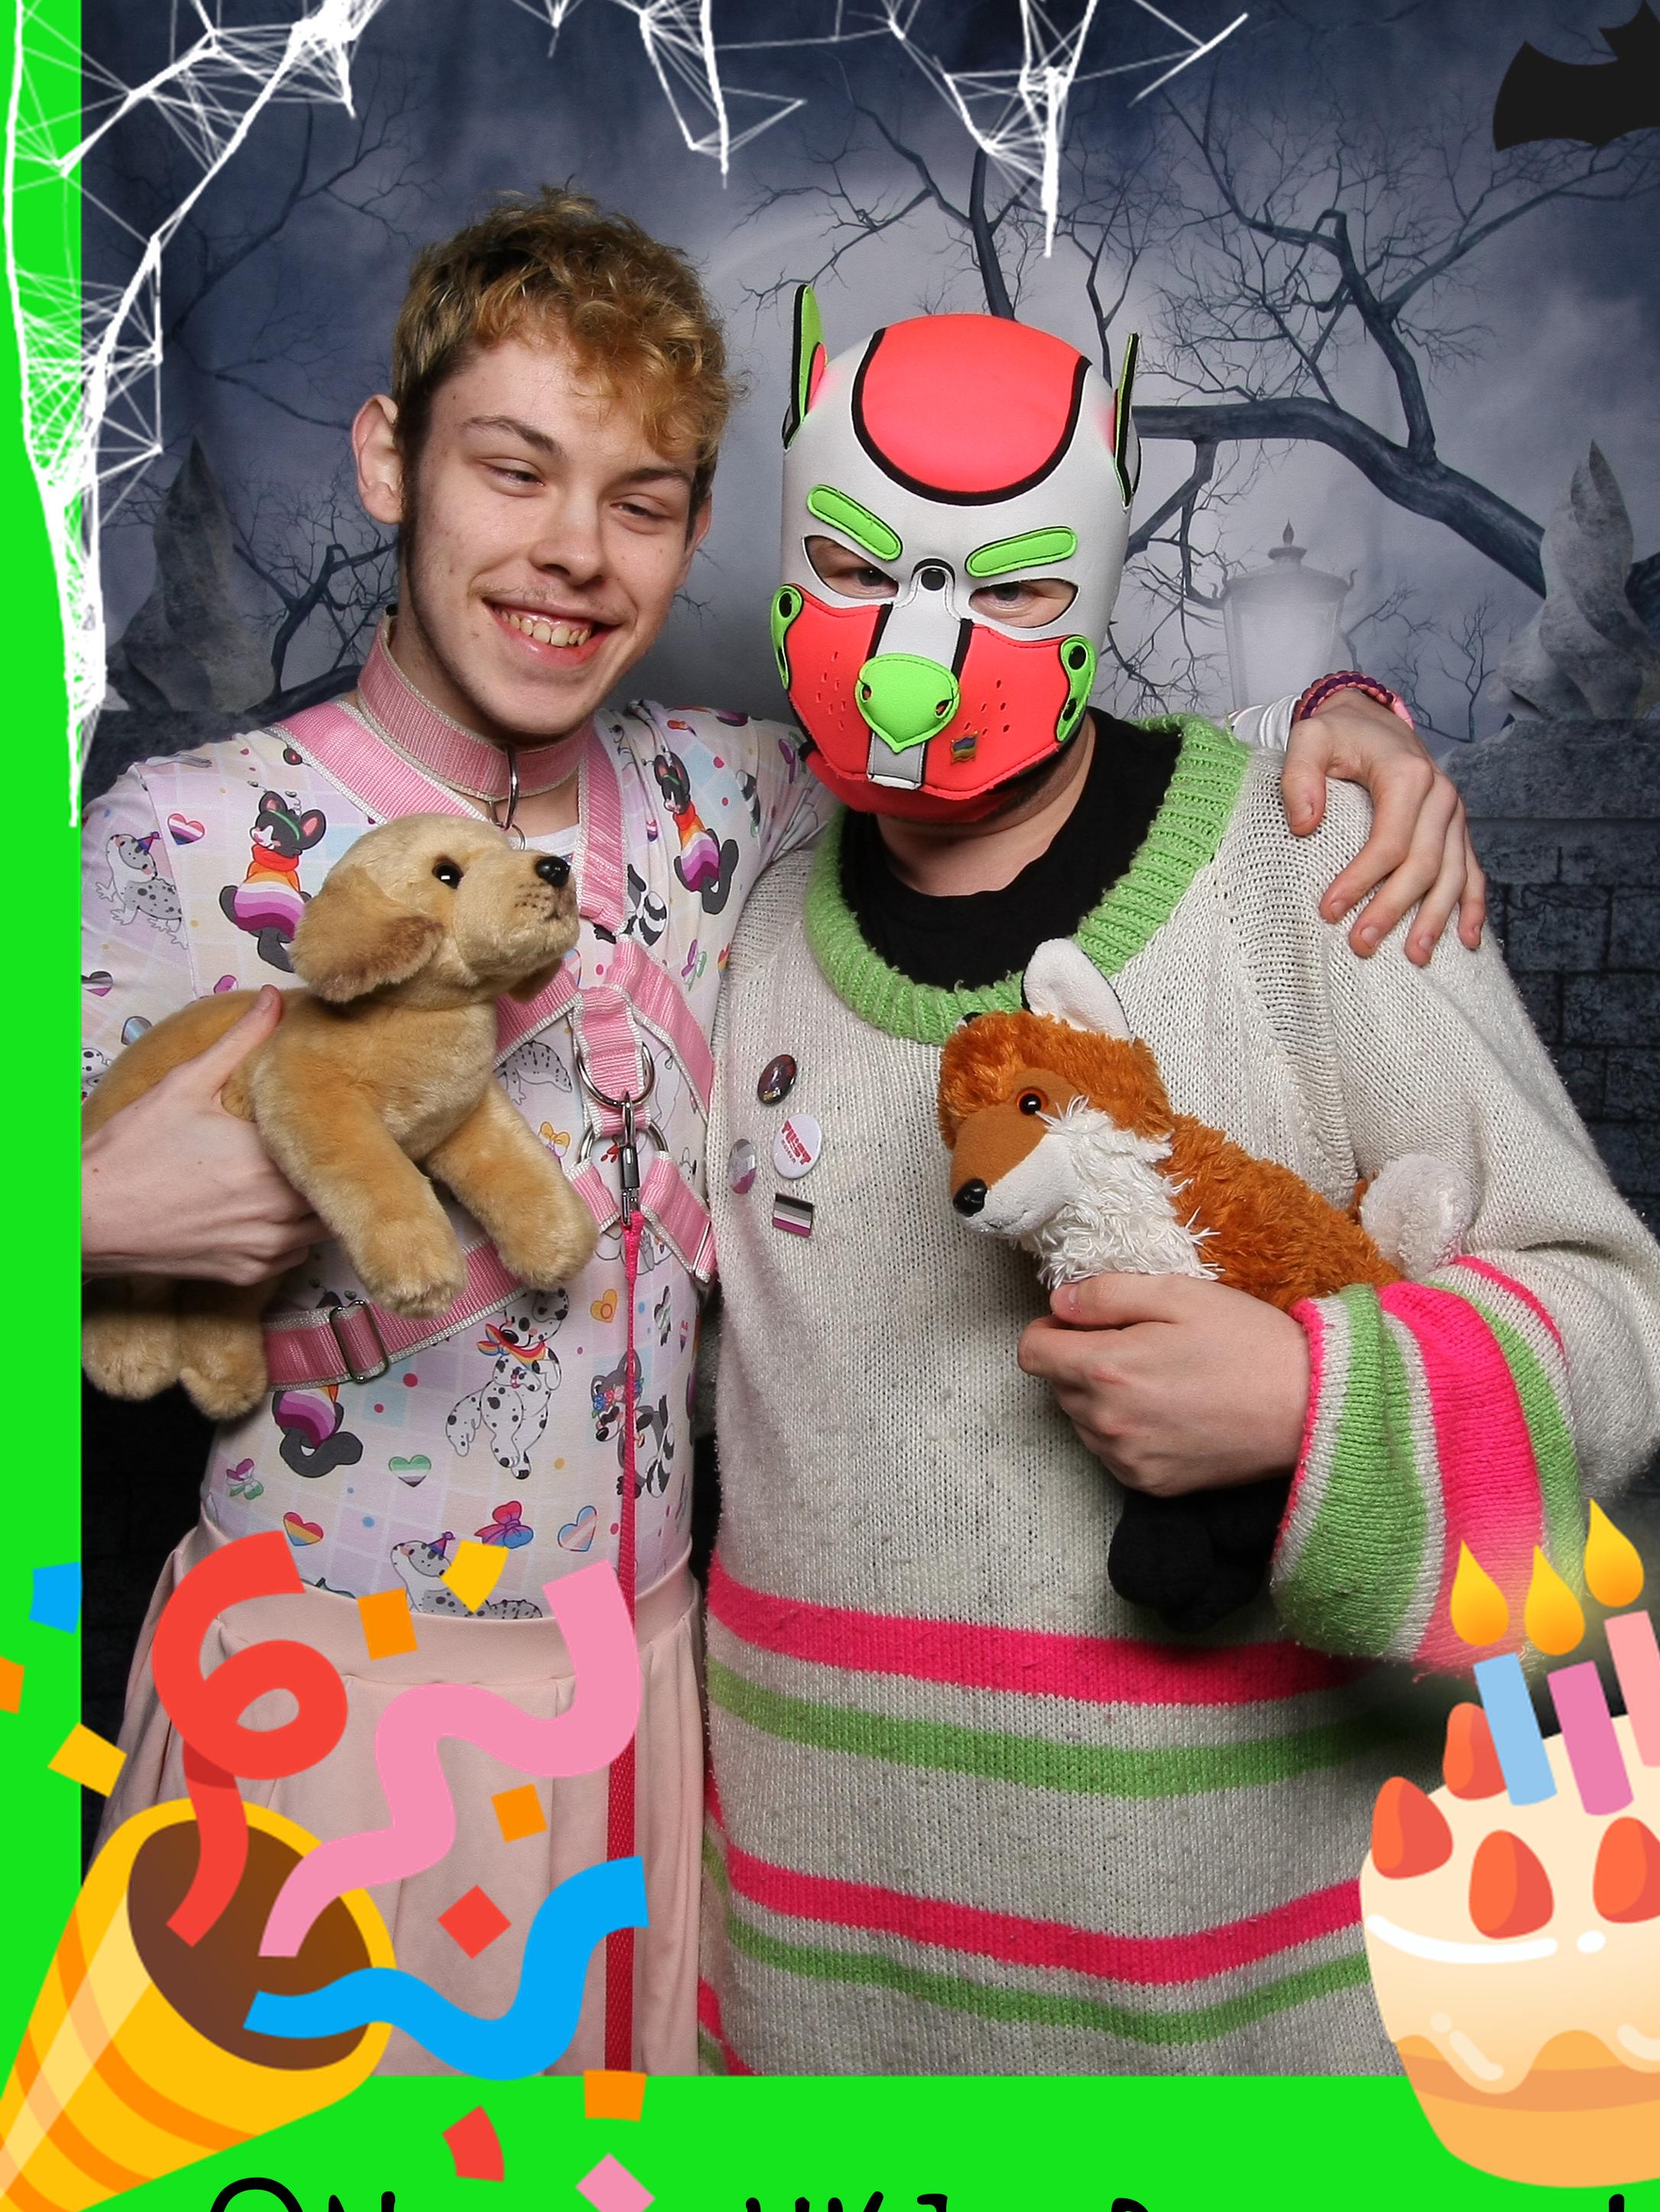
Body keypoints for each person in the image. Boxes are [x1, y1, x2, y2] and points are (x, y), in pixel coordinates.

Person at [80, 199, 1484, 2080]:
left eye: (643, 500)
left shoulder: (725, 794)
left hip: (662, 1709)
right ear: (389, 460)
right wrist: (68, 1212)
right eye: (514, 469)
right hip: (320, 1706)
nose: (573, 551)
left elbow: (1056, 754)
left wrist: (1347, 717)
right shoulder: (177, 841)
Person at [695, 299, 1660, 2077]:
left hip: (1217, 2030)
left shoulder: (1313, 862)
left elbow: (1616, 1325)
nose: (918, 655)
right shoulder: (754, 903)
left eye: (1011, 590)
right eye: (850, 568)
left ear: (1098, 571)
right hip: (811, 2005)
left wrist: (1315, 1397)